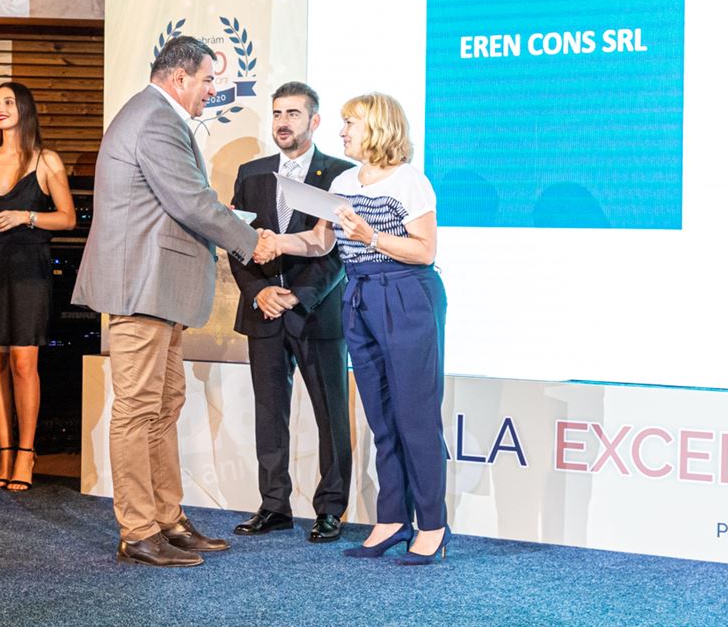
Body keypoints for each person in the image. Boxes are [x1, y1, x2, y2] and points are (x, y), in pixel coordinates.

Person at [72, 37, 279, 567]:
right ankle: (138, 529)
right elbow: (190, 201)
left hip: (157, 288)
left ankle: (166, 519)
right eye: (208, 80)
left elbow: (181, 201)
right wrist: (250, 240)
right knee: (139, 408)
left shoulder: (157, 116)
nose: (213, 90)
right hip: (141, 286)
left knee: (163, 405)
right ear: (180, 77)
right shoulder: (155, 119)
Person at [271, 93, 448, 564]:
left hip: (406, 295)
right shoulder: (344, 181)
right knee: (381, 417)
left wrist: (370, 235)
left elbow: (425, 251)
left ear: (377, 127)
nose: (342, 131)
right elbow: (320, 241)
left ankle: (433, 525)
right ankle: (392, 519)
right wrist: (270, 241)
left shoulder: (410, 181)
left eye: (351, 123)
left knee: (415, 417)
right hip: (360, 295)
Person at [227, 82, 355, 543]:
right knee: (269, 415)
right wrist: (258, 290)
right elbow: (236, 239)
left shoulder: (341, 174)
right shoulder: (252, 173)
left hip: (317, 314)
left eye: (293, 114)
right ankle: (274, 506)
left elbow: (338, 251)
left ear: (314, 121)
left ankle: (331, 509)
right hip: (262, 312)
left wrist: (299, 295)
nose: (283, 122)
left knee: (331, 417)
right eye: (278, 113)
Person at [0, 82, 75, 493]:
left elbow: (67, 218)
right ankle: (6, 451)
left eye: (8, 102)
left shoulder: (46, 160)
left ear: (24, 109)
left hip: (29, 266)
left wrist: (24, 216)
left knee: (24, 362)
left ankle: (27, 453)